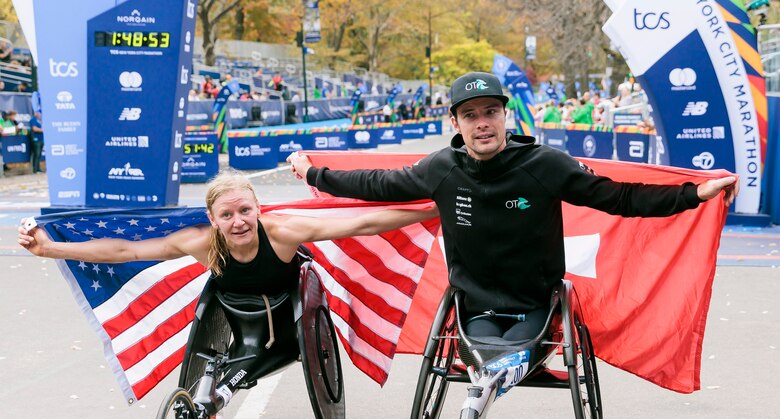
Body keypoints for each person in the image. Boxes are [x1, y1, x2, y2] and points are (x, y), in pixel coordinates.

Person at [289, 71, 738, 343]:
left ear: (505, 115)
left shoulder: (545, 164)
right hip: (474, 303)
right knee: (485, 353)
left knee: (513, 352)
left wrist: (692, 194)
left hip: (534, 300)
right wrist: (315, 175)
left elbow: (620, 198)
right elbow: (378, 184)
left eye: (490, 112)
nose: (482, 123)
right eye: (470, 115)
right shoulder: (441, 168)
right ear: (455, 122)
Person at [18, 170, 438, 414]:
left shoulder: (284, 231)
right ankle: (214, 393)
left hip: (287, 317)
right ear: (212, 218)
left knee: (254, 357)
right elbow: (126, 249)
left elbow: (363, 224)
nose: (238, 221)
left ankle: (222, 389)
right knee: (238, 360)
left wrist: (436, 206)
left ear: (258, 209)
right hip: (239, 316)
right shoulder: (201, 242)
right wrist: (49, 248)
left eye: (245, 211)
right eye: (226, 214)